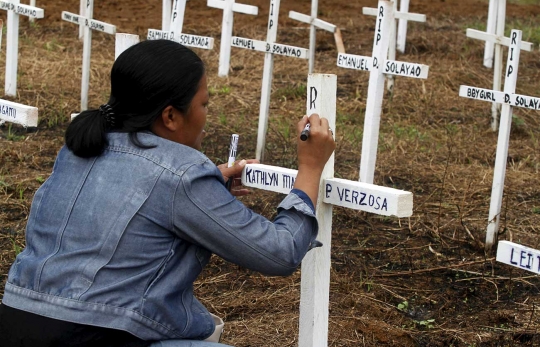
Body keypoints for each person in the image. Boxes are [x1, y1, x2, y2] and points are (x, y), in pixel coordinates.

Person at [0, 40, 336, 346]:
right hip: (89, 336)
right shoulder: (181, 174)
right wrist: (309, 170)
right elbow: (279, 252)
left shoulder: (78, 150)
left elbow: (136, 194)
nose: (207, 118)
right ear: (171, 116)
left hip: (16, 323)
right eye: (203, 104)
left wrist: (205, 188)